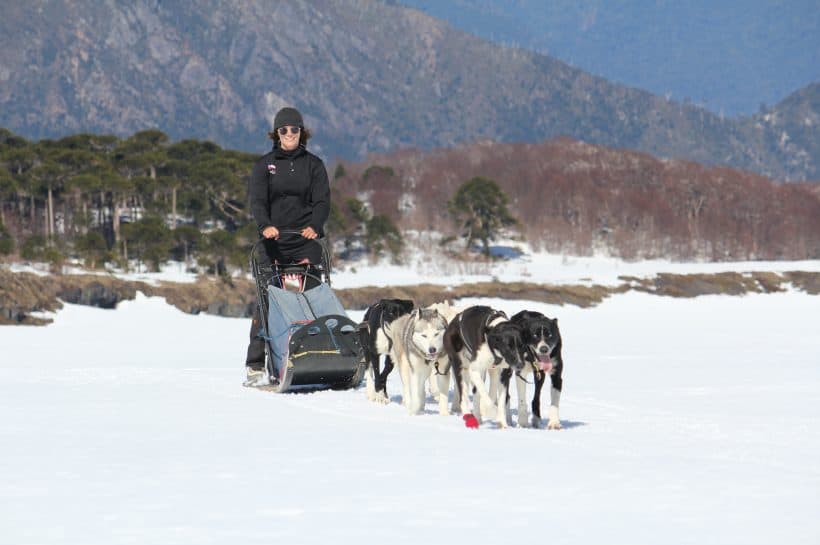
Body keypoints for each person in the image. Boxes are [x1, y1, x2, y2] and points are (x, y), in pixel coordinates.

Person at [244, 106, 330, 385]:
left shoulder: (314, 165)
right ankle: (256, 363)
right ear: (276, 134)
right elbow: (257, 201)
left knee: (316, 298)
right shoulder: (264, 165)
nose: (290, 134)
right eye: (284, 130)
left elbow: (322, 201)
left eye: (294, 129)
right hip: (274, 243)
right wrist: (265, 226)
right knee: (267, 301)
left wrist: (315, 226)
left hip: (305, 241)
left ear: (301, 132)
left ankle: (323, 354)